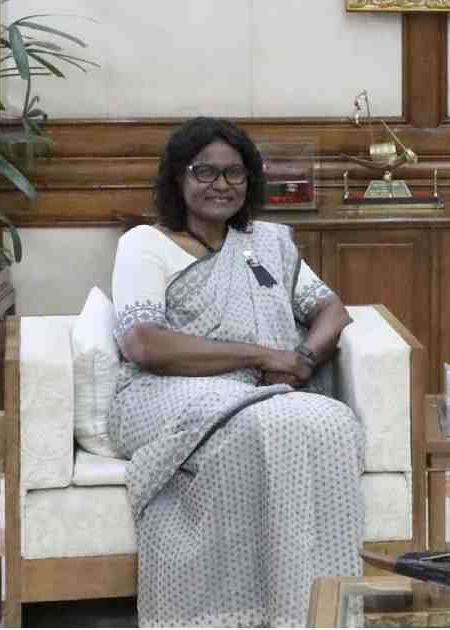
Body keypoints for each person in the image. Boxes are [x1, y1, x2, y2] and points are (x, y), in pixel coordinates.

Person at [109, 117, 363, 627]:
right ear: (178, 177)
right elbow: (144, 343)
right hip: (165, 392)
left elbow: (331, 312)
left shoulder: (264, 243)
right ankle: (229, 616)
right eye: (205, 172)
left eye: (234, 173)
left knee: (331, 422)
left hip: (264, 394)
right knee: (257, 427)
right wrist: (261, 356)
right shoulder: (145, 244)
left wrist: (302, 361)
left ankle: (317, 611)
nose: (221, 185)